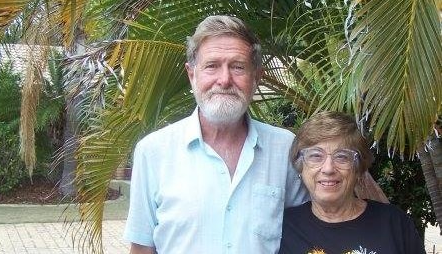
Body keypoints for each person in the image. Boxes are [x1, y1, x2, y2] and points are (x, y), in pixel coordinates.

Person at [123, 15, 309, 254]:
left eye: (238, 67)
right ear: (192, 75)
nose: (224, 80)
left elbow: (305, 234)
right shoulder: (153, 151)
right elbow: (141, 248)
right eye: (212, 66)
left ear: (256, 77)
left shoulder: (285, 148)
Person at [279, 111, 426, 254]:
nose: (328, 168)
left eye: (342, 157)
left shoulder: (393, 223)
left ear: (359, 168)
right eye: (316, 156)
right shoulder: (284, 227)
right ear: (300, 166)